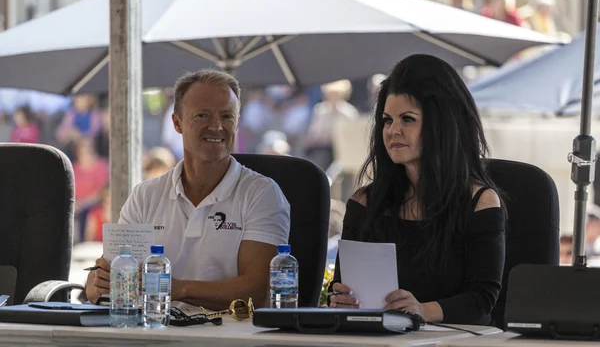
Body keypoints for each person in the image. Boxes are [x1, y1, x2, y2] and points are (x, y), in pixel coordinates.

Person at [85, 70, 291, 310]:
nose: (216, 126)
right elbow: (107, 281)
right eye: (203, 115)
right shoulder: (145, 195)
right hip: (154, 332)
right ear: (177, 123)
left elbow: (256, 290)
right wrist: (97, 284)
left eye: (227, 116)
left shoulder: (262, 193)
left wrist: (175, 288)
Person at [327, 54, 505, 325]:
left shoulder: (479, 202)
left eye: (407, 119)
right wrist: (340, 297)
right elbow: (341, 287)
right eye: (387, 120)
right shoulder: (364, 202)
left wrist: (420, 310)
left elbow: (482, 299)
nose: (392, 131)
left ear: (441, 125)